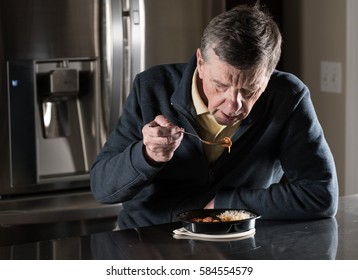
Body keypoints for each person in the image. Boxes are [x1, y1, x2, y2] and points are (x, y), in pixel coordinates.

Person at [90, 4, 339, 230]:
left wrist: (225, 203)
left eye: (250, 91)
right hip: (148, 240)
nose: (233, 105)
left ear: (269, 76)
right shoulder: (151, 86)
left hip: (238, 241)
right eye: (220, 86)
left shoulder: (288, 96)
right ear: (201, 62)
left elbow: (321, 196)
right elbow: (103, 190)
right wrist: (146, 156)